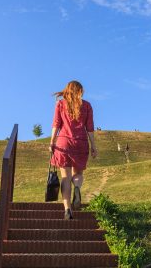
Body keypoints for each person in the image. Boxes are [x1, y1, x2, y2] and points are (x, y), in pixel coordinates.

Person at [49, 80, 98, 220]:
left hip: (63, 143)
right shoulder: (87, 105)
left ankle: (67, 210)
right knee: (78, 174)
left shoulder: (60, 104)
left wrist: (52, 142)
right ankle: (77, 187)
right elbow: (90, 128)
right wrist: (93, 146)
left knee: (65, 177)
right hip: (81, 143)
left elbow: (56, 124)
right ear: (80, 91)